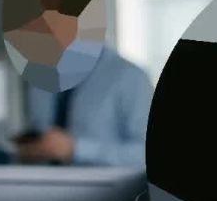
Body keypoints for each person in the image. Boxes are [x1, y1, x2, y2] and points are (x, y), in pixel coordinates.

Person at [19, 50, 151, 167]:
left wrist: (77, 149)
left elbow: (144, 154)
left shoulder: (132, 77)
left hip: (105, 186)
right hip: (40, 183)